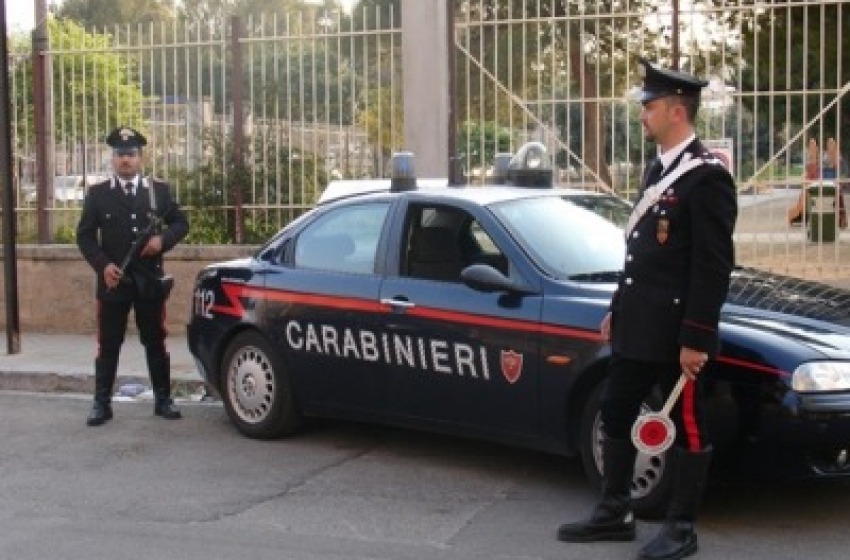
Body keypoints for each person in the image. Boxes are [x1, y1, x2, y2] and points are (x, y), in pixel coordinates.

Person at [557, 58, 738, 560]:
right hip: (638, 324)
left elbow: (712, 266)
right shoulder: (659, 169)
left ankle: (681, 529)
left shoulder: (706, 178)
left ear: (677, 111)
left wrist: (696, 337)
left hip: (677, 332)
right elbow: (639, 257)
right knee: (616, 410)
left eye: (650, 106)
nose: (642, 114)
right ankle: (615, 511)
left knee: (687, 425)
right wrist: (618, 307)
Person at [77, 126, 189, 426]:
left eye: (131, 154)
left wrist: (162, 241)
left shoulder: (158, 191)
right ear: (113, 159)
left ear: (140, 158)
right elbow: (85, 236)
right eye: (120, 155)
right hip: (114, 282)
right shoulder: (98, 194)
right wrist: (102, 265)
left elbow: (181, 223)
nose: (125, 160)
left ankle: (163, 399)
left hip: (149, 281)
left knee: (155, 340)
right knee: (108, 343)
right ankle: (101, 403)